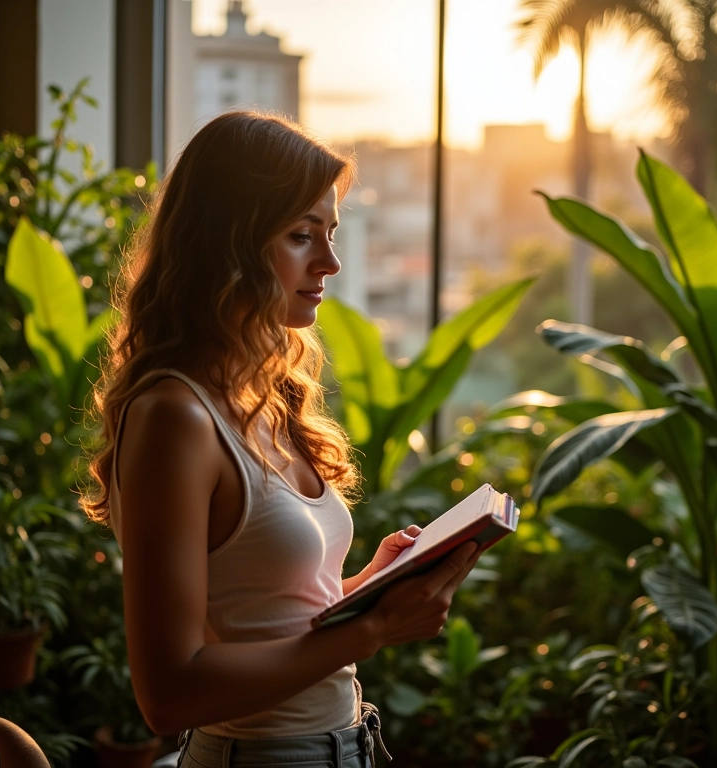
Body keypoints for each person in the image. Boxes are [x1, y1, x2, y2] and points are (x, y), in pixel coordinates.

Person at [82, 111, 481, 768]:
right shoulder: (174, 417)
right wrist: (376, 630)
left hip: (346, 743)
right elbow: (169, 694)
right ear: (225, 245)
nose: (330, 261)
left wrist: (370, 588)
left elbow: (267, 622)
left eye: (330, 232)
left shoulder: (264, 400)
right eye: (301, 235)